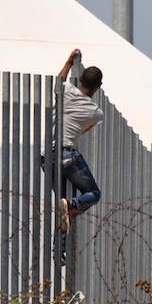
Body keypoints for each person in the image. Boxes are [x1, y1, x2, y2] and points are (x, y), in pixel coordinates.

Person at [52, 48, 104, 233]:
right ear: (98, 87)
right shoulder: (96, 113)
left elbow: (59, 80)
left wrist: (69, 61)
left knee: (64, 210)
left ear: (80, 79)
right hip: (68, 155)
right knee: (93, 194)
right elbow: (84, 129)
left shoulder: (65, 91)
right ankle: (72, 203)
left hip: (47, 156)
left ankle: (62, 249)